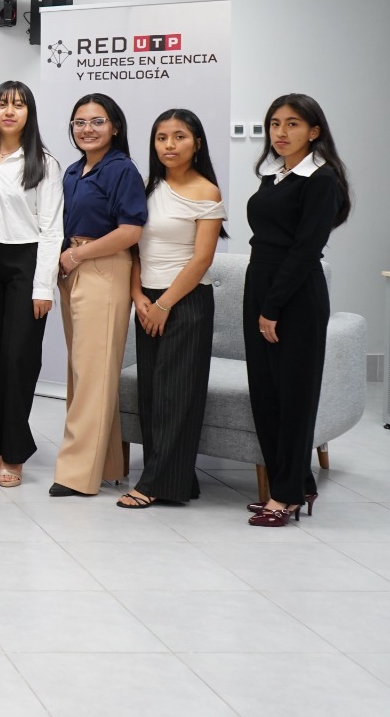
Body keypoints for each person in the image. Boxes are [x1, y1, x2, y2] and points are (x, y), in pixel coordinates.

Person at [244, 94, 352, 527]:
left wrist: (272, 307)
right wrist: (261, 301)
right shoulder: (274, 175)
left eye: (292, 124)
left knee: (294, 397)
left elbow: (306, 249)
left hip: (295, 297)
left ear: (314, 131)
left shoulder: (321, 180)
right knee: (266, 394)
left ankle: (285, 497)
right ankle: (294, 483)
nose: (281, 132)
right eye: (275, 124)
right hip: (261, 287)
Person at [121, 109, 225, 509]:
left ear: (196, 143)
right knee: (152, 394)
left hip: (185, 302)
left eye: (179, 136)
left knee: (176, 396)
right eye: (161, 137)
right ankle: (176, 480)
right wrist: (138, 296)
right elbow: (135, 249)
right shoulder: (148, 187)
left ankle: (153, 484)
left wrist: (164, 304)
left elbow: (202, 259)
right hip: (148, 300)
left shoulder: (206, 191)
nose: (169, 145)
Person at [0, 81, 62, 490]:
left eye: (18, 105)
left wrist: (43, 287)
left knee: (17, 359)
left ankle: (15, 452)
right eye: (2, 104)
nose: (9, 111)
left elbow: (52, 229)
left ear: (29, 113)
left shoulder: (44, 163)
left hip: (26, 264)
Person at [51, 93, 145, 498]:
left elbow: (131, 231)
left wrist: (77, 255)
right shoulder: (74, 171)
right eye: (79, 122)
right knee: (85, 373)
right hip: (72, 268)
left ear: (115, 127)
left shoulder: (121, 169)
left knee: (93, 374)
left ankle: (77, 475)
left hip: (103, 268)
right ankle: (107, 465)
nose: (87, 129)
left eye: (97, 121)